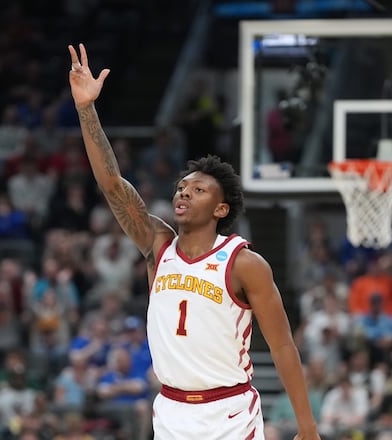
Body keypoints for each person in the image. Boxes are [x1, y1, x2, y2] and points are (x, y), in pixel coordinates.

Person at [68, 43, 320, 440]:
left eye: (198, 190)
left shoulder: (244, 263)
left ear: (221, 208)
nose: (184, 192)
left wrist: (308, 429)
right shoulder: (158, 244)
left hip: (229, 413)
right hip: (170, 411)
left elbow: (283, 346)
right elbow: (112, 184)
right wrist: (86, 109)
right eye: (182, 187)